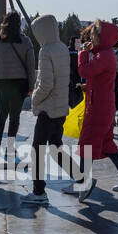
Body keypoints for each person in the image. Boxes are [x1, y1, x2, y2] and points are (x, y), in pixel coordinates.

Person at [64, 20, 118, 201]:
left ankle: (83, 183)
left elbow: (85, 70)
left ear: (102, 37)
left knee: (86, 144)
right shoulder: (105, 53)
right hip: (103, 105)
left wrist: (82, 53)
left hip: (98, 107)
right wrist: (90, 51)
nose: (91, 37)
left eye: (95, 34)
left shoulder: (105, 55)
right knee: (107, 144)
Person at [23, 14, 72, 205]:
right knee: (55, 148)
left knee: (37, 151)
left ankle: (38, 191)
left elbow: (46, 83)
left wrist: (34, 98)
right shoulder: (62, 48)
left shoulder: (46, 51)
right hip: (60, 109)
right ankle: (83, 179)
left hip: (48, 110)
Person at [0, 11, 35, 163]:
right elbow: (30, 65)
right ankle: (10, 148)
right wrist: (31, 85)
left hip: (1, 81)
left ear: (4, 23)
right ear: (19, 24)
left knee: (1, 114)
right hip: (20, 83)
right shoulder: (26, 41)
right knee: (15, 117)